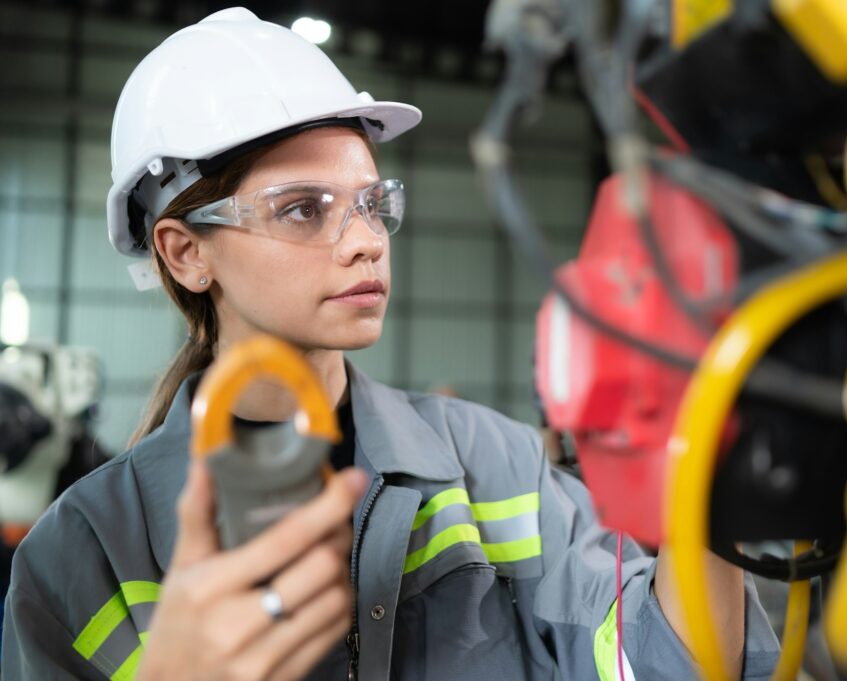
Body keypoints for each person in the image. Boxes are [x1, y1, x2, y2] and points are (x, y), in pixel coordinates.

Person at [1, 8, 780, 680]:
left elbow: (652, 661)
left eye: (372, 203)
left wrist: (708, 460)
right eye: (304, 209)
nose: (366, 242)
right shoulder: (81, 556)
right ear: (184, 252)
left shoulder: (493, 467)